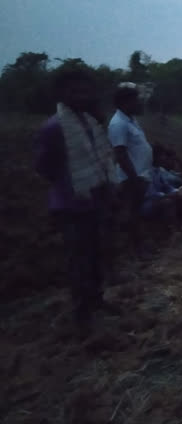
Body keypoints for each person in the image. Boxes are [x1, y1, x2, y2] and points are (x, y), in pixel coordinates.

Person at [35, 66, 118, 336]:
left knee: (95, 254)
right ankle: (81, 315)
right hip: (70, 205)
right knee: (78, 260)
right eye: (75, 90)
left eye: (85, 90)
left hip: (93, 198)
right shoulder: (54, 127)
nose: (81, 95)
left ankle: (96, 300)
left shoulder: (89, 121)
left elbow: (99, 158)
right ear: (62, 93)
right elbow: (45, 167)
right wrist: (71, 183)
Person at [108, 82, 154, 256]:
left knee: (136, 211)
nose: (139, 103)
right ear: (126, 102)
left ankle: (139, 244)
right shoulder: (118, 123)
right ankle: (136, 249)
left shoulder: (130, 120)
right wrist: (134, 178)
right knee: (131, 212)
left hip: (140, 175)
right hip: (130, 178)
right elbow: (120, 153)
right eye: (136, 100)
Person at [141, 146, 182, 224]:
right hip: (149, 204)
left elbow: (166, 186)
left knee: (181, 195)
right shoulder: (147, 174)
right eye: (162, 156)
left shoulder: (159, 171)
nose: (163, 158)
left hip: (160, 198)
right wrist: (169, 195)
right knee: (168, 202)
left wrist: (177, 191)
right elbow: (153, 195)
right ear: (156, 157)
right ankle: (173, 229)